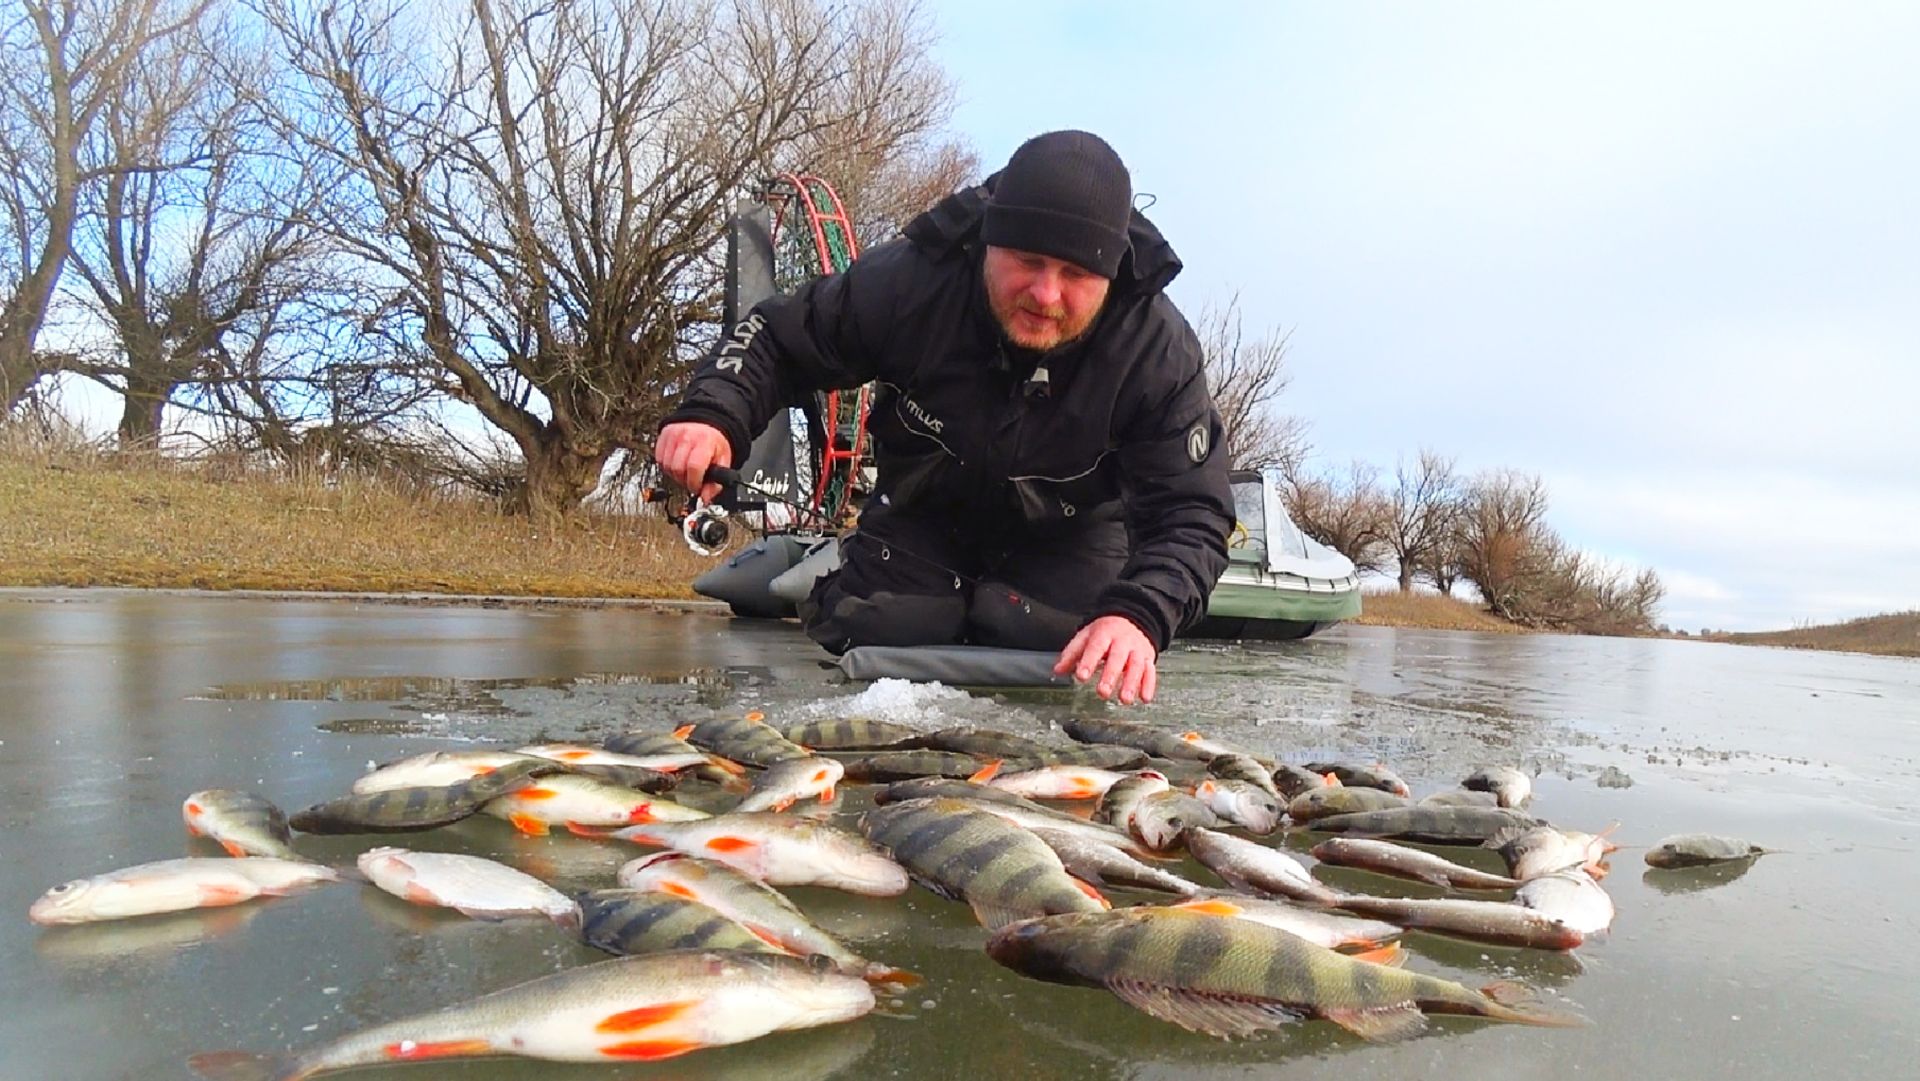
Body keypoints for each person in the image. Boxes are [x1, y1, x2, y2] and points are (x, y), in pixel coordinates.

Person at [656, 130, 1232, 706]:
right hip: (923, 515)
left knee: (1046, 641)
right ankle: (841, 567)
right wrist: (712, 415)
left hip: (1070, 537)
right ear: (989, 241)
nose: (1046, 294)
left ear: (1110, 275)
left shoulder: (1157, 350)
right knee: (880, 626)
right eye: (1027, 261)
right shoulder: (911, 281)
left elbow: (1192, 513)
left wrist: (1140, 616)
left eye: (1076, 275)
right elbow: (778, 338)